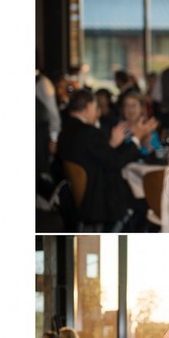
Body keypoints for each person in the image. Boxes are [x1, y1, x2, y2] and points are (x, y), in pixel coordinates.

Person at [56, 88, 148, 231]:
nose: (97, 113)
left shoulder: (66, 130)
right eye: (95, 107)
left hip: (80, 196)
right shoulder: (89, 132)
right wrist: (137, 138)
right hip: (99, 197)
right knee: (142, 203)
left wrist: (111, 143)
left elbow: (97, 156)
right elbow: (116, 162)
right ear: (88, 107)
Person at [118, 90, 163, 161]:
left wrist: (147, 143)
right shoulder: (119, 129)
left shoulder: (148, 128)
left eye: (133, 105)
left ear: (141, 108)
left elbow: (160, 153)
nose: (130, 109)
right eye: (127, 106)